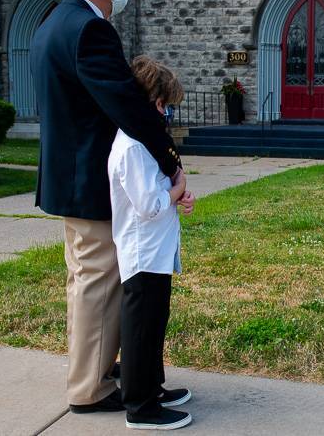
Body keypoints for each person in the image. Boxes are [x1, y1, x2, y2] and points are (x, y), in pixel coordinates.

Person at [30, 0, 183, 414]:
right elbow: (128, 106)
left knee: (86, 282)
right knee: (98, 284)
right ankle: (89, 389)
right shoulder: (90, 29)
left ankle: (99, 369)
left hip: (67, 178)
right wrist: (171, 163)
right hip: (92, 181)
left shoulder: (52, 23)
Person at [108, 56, 195, 430]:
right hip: (142, 253)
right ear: (148, 100)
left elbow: (159, 192)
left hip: (156, 252)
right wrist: (176, 191)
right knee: (141, 326)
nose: (167, 112)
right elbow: (149, 205)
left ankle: (152, 387)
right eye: (163, 104)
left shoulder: (145, 141)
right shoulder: (132, 147)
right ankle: (140, 406)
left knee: (155, 320)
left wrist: (176, 193)